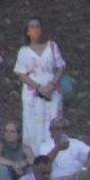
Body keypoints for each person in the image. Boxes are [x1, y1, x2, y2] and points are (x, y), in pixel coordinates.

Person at [14, 19, 67, 158]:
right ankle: (35, 158)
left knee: (53, 121)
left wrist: (51, 85)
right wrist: (38, 87)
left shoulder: (52, 46)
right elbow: (21, 74)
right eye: (32, 27)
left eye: (38, 26)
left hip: (52, 88)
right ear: (27, 31)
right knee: (33, 125)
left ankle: (55, 155)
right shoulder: (23, 51)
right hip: (32, 91)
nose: (35, 29)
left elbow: (61, 67)